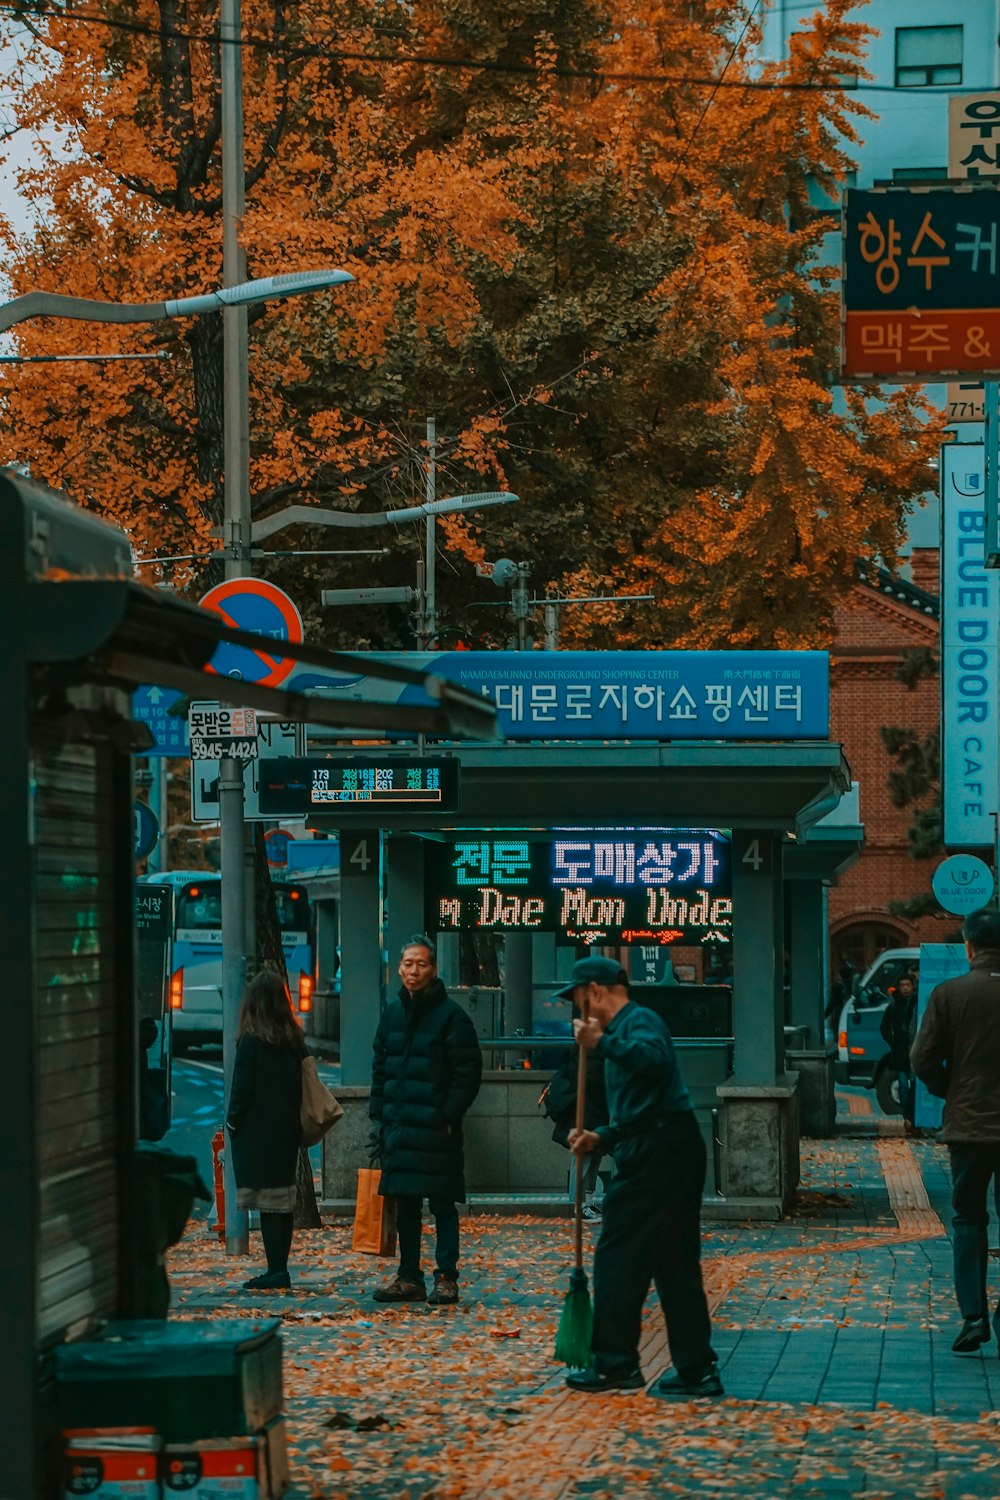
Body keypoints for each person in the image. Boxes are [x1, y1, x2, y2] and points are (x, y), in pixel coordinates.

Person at [556, 956, 721, 1398]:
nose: (575, 1008)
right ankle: (696, 1369)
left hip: (658, 1155)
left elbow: (654, 1061)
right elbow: (643, 1107)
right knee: (673, 1263)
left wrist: (602, 1043)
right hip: (665, 1146)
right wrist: (600, 1137)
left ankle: (615, 1364)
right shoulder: (623, 1030)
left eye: (575, 997)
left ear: (593, 990)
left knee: (618, 1256)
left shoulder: (637, 1022)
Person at [370, 936, 483, 1307]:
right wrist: (380, 1118)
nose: (412, 971)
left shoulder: (452, 1016)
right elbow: (379, 1067)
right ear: (398, 968)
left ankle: (446, 1277)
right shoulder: (392, 1013)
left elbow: (467, 1072)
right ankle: (409, 1277)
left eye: (420, 964)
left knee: (443, 1205)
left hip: (436, 1131)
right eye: (407, 963)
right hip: (400, 1129)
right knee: (405, 1206)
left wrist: (447, 1116)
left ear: (433, 969)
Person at [911, 909, 1000, 1355]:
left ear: (969, 947)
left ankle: (973, 1316)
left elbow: (922, 1059)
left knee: (968, 1218)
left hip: (970, 1127)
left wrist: (951, 1090)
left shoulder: (950, 995)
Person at [226, 968, 307, 1291]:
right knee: (281, 1202)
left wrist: (232, 1122)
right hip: (285, 1130)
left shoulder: (252, 1041)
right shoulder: (293, 1040)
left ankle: (275, 1271)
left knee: (268, 1203)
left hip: (258, 1133)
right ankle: (279, 1266)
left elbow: (241, 1090)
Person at [540, 1013, 609, 1220]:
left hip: (593, 1107)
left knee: (594, 1155)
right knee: (586, 1157)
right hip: (588, 1107)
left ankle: (587, 1203)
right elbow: (590, 1077)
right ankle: (580, 1205)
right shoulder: (589, 1047)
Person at [880, 974, 918, 1132]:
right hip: (901, 1052)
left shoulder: (916, 1003)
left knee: (914, 1084)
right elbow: (884, 1028)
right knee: (903, 1084)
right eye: (903, 985)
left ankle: (913, 1118)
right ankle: (907, 1117)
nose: (906, 988)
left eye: (908, 985)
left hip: (914, 1049)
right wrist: (893, 1042)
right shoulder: (894, 1007)